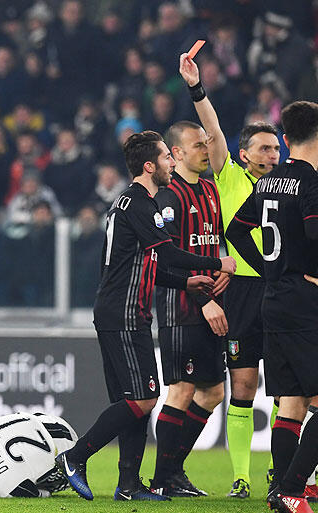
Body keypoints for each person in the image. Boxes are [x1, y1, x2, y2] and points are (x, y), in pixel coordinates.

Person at [56, 130, 236, 502]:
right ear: (150, 166)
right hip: (124, 313)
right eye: (167, 157)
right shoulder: (139, 203)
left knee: (134, 402)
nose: (172, 162)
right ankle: (75, 457)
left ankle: (128, 485)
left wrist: (185, 283)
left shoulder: (130, 202)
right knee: (144, 399)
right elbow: (168, 254)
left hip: (122, 310)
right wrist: (217, 262)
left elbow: (151, 264)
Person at [180, 52, 282, 498]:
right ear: (244, 154)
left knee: (287, 390)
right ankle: (241, 478)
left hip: (282, 289)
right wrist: (196, 88)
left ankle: (281, 473)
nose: (272, 155)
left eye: (276, 148)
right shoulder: (230, 177)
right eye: (264, 148)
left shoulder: (290, 184)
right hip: (240, 291)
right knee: (243, 385)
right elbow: (215, 131)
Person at [226, 100, 318, 513]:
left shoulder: (267, 183)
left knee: (292, 401)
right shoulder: (311, 182)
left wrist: (268, 269)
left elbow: (235, 231)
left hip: (273, 298)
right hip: (303, 299)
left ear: (286, 138)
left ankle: (280, 490)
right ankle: (292, 488)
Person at [149, 120, 228, 497]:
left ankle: (172, 472)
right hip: (181, 308)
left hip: (211, 303)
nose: (206, 150)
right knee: (181, 390)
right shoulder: (169, 195)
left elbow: (217, 242)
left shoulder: (211, 189)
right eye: (198, 145)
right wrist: (205, 300)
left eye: (207, 143)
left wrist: (224, 270)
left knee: (212, 393)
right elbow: (168, 260)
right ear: (177, 153)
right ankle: (162, 480)